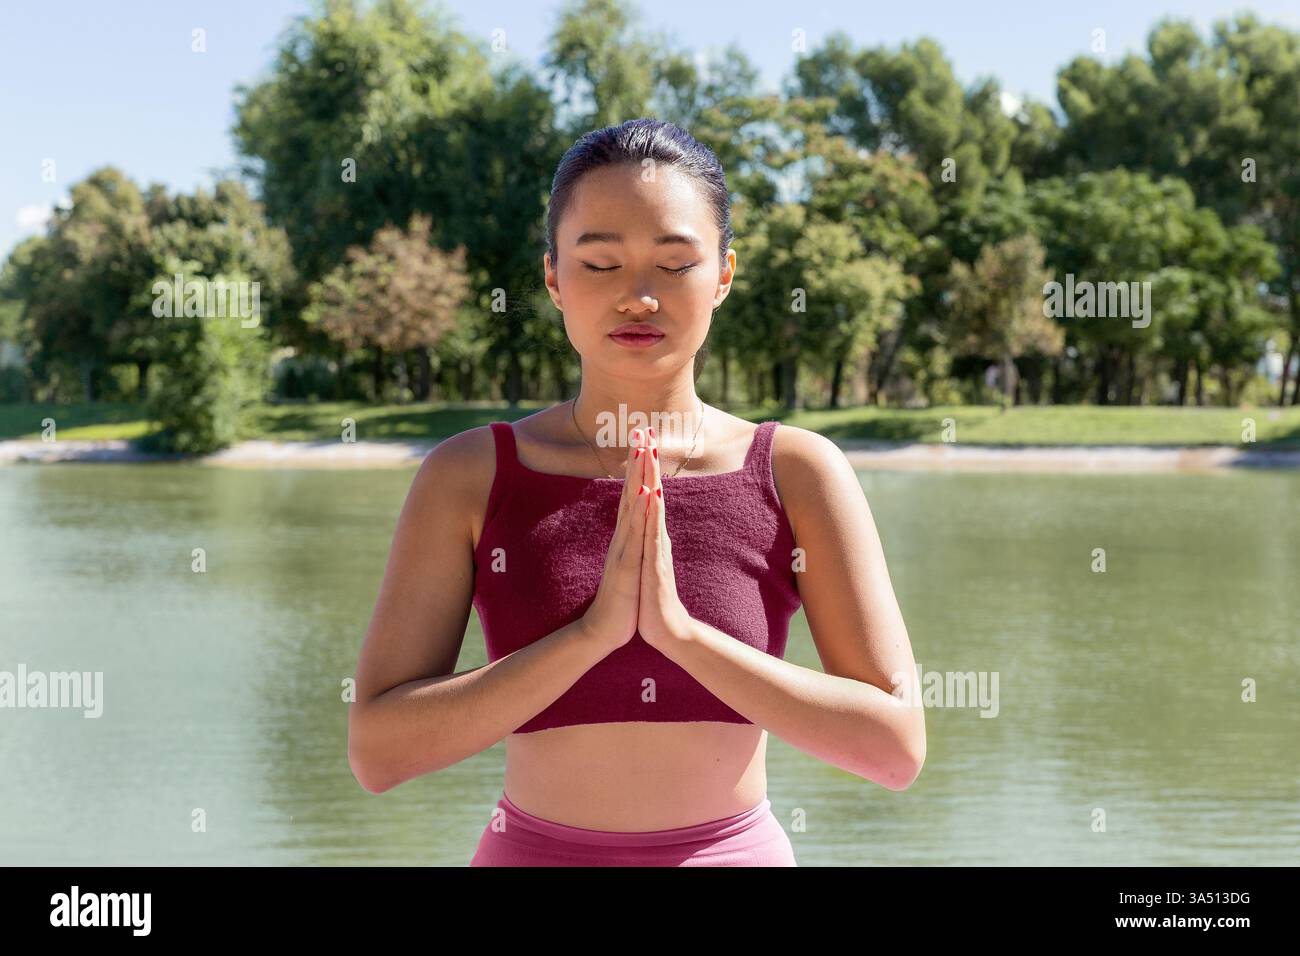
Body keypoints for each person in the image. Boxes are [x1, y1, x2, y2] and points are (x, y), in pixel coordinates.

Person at [347, 118, 925, 866]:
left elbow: (895, 750)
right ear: (554, 278)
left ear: (723, 274)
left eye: (675, 263)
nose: (638, 298)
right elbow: (377, 753)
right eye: (600, 263)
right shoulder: (470, 475)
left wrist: (682, 635)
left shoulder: (797, 471)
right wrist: (590, 636)